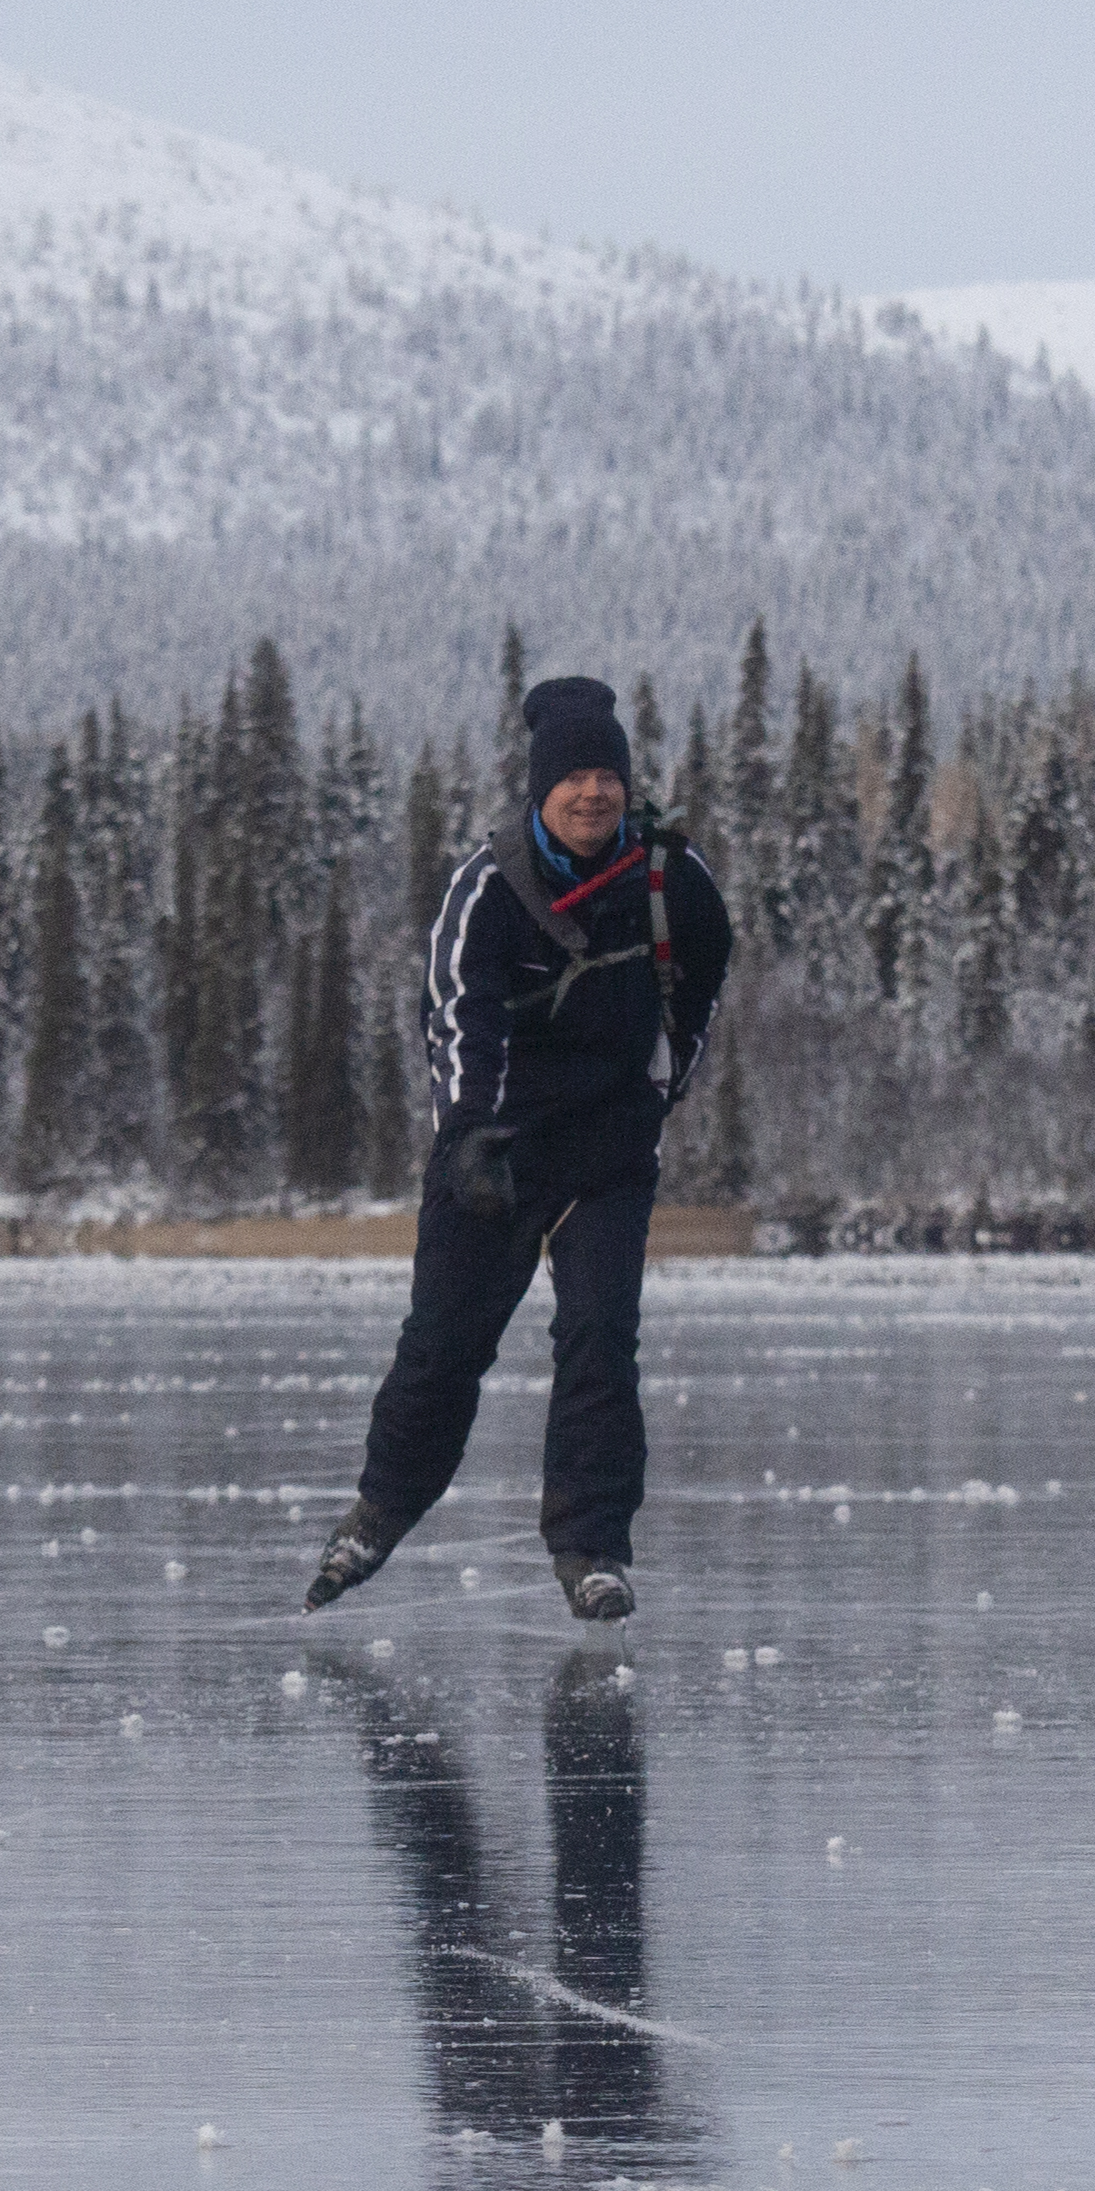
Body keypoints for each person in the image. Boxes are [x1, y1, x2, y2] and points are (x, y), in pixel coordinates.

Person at [306, 676, 735, 1622]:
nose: (594, 793)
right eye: (573, 778)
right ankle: (378, 1512)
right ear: (539, 791)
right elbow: (459, 1021)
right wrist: (471, 1136)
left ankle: (592, 1548)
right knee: (444, 1345)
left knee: (598, 1338)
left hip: (610, 1151)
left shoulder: (671, 881)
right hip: (493, 1144)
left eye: (607, 776)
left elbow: (704, 978)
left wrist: (665, 1081)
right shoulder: (487, 891)